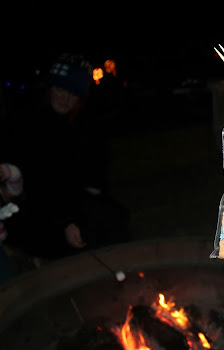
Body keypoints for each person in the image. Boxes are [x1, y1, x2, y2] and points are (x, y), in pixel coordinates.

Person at [4, 52, 130, 261]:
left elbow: (93, 175)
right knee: (71, 237)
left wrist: (92, 189)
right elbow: (38, 184)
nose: (65, 98)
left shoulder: (84, 124)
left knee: (112, 218)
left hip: (70, 200)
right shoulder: (27, 122)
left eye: (73, 93)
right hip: (32, 207)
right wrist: (66, 222)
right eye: (60, 89)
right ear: (49, 88)